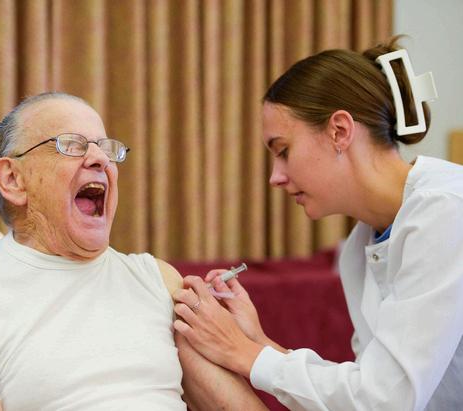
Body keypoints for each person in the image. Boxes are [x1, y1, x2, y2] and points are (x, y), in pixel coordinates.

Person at [0, 92, 266, 410]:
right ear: (13, 179)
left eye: (105, 148)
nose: (100, 159)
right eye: (71, 144)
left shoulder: (158, 279)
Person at [172, 36, 463, 411]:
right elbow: (366, 389)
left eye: (283, 151)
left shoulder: (445, 211)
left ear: (339, 131)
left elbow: (388, 401)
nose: (275, 178)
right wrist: (258, 341)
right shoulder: (359, 246)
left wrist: (241, 352)